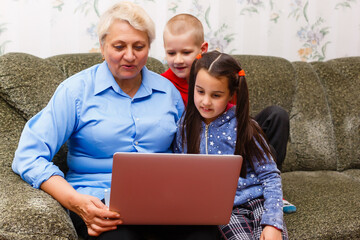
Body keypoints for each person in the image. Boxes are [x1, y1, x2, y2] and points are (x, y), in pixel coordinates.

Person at [12, 2, 218, 240]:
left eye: (139, 46)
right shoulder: (75, 91)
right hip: (99, 203)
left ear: (149, 47)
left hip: (164, 202)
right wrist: (75, 201)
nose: (129, 56)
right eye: (119, 46)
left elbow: (189, 153)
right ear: (102, 46)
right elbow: (28, 156)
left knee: (207, 234)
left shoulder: (168, 92)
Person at [162, 13, 296, 213]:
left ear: (202, 50)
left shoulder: (220, 75)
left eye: (186, 52)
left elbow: (233, 118)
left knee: (277, 115)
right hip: (196, 143)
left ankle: (270, 188)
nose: (178, 60)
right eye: (171, 53)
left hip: (230, 139)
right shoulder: (164, 85)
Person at [174, 50, 289, 240]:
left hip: (259, 200)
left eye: (216, 95)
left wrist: (273, 222)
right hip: (227, 210)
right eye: (200, 91)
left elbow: (270, 174)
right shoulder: (185, 126)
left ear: (230, 95)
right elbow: (179, 171)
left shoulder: (245, 126)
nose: (205, 101)